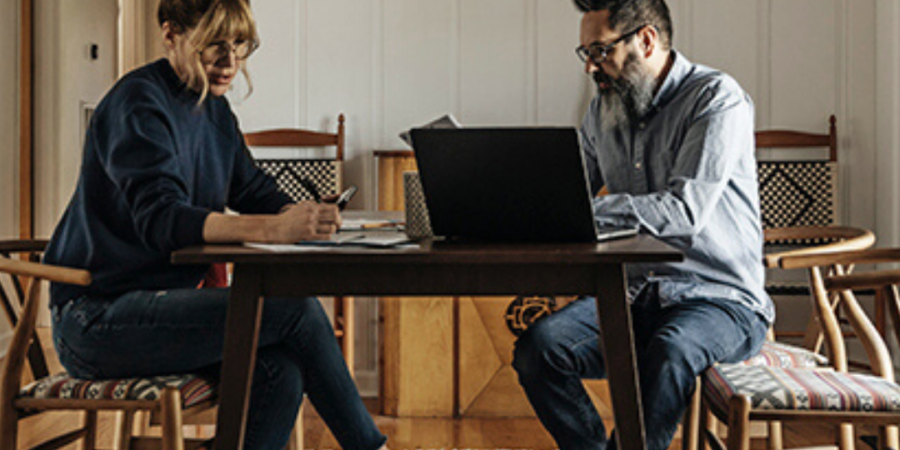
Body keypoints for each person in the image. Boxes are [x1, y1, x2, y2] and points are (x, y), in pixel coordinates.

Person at [42, 1, 387, 450]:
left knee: (280, 371)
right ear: (170, 34)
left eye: (239, 46)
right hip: (96, 318)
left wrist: (303, 214)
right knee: (295, 310)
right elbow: (161, 219)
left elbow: (255, 191)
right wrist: (269, 230)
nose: (230, 63)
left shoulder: (216, 112)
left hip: (156, 309)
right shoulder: (137, 102)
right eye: (214, 46)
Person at [512, 1, 773, 449]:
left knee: (669, 353)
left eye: (599, 52)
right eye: (585, 54)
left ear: (646, 40)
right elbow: (570, 196)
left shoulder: (716, 98)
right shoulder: (600, 113)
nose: (590, 68)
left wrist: (585, 213)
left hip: (719, 298)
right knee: (540, 350)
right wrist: (513, 202)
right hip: (630, 296)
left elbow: (684, 213)